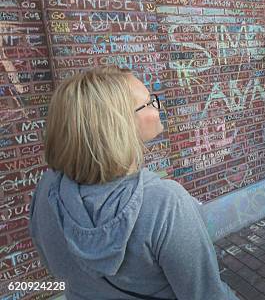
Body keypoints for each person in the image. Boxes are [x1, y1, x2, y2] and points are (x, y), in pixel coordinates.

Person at [29, 66, 238, 300]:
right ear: (118, 125)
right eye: (149, 102)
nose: (158, 107)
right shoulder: (164, 204)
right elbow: (206, 294)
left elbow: (55, 264)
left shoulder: (48, 189)